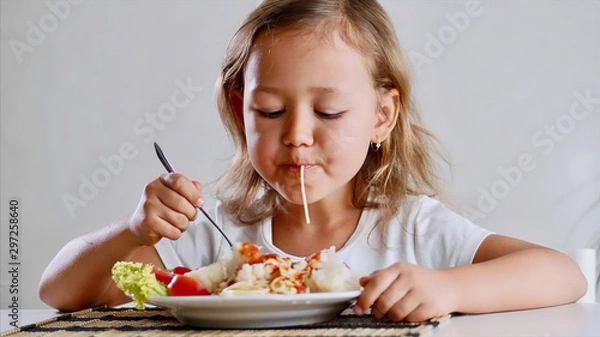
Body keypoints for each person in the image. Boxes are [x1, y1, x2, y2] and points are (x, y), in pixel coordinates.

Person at [39, 0, 586, 322]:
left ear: (381, 116)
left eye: (328, 111)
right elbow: (57, 293)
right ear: (241, 111)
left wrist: (450, 288)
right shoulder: (213, 241)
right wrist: (130, 230)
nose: (297, 135)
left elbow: (562, 274)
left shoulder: (411, 229)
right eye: (271, 111)